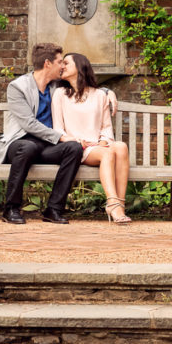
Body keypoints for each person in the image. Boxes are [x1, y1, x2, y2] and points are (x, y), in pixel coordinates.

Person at [0, 43, 84, 225]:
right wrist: (60, 137)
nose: (63, 66)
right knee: (28, 147)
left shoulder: (57, 85)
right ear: (48, 63)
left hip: (45, 146)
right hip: (19, 142)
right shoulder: (17, 87)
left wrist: (106, 92)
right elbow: (28, 124)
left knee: (73, 148)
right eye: (60, 62)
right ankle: (11, 208)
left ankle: (54, 209)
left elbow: (84, 84)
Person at [52, 52, 130, 224]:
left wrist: (102, 142)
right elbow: (58, 128)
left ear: (80, 67)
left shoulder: (100, 95)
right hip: (76, 147)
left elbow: (106, 128)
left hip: (97, 146)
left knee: (121, 147)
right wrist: (74, 140)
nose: (62, 66)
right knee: (107, 154)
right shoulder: (60, 94)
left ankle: (119, 207)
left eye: (66, 63)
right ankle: (112, 203)